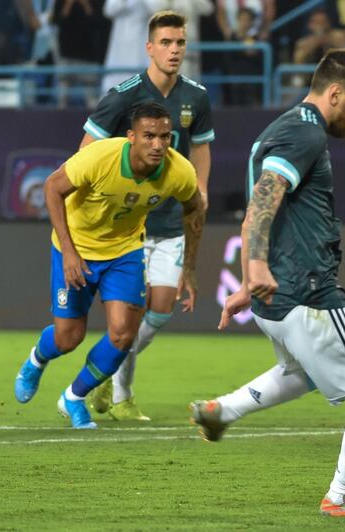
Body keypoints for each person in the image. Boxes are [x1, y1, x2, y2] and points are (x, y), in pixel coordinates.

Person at [189, 48, 345, 518]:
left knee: (305, 371)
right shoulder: (303, 133)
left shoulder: (287, 128)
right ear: (334, 92)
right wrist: (257, 267)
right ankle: (344, 495)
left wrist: (252, 279)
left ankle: (221, 411)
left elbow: (266, 210)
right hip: (306, 293)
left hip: (277, 297)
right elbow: (264, 200)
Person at [13, 102, 205, 429]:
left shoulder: (179, 171)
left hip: (125, 251)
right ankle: (37, 360)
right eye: (148, 136)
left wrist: (189, 268)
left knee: (123, 333)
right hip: (75, 248)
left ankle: (73, 397)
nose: (158, 145)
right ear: (131, 136)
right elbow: (52, 188)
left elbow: (194, 209)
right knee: (68, 337)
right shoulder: (100, 157)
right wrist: (71, 253)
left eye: (164, 137)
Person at [80, 10, 214, 421]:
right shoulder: (123, 95)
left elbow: (202, 147)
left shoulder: (196, 96)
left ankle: (107, 367)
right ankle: (122, 396)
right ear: (150, 48)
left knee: (159, 310)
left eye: (181, 43)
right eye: (167, 43)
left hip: (172, 222)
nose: (175, 51)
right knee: (134, 314)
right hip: (127, 226)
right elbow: (86, 149)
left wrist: (200, 190)